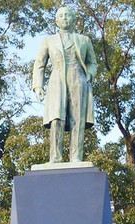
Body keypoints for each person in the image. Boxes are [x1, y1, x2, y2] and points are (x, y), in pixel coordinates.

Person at [32, 5, 98, 163]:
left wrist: (89, 74)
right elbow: (39, 64)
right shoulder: (49, 41)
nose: (65, 18)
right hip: (57, 82)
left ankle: (76, 157)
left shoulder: (84, 40)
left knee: (78, 119)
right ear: (56, 20)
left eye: (68, 15)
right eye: (61, 16)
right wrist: (38, 86)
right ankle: (55, 158)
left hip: (78, 80)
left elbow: (92, 63)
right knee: (57, 119)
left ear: (74, 19)